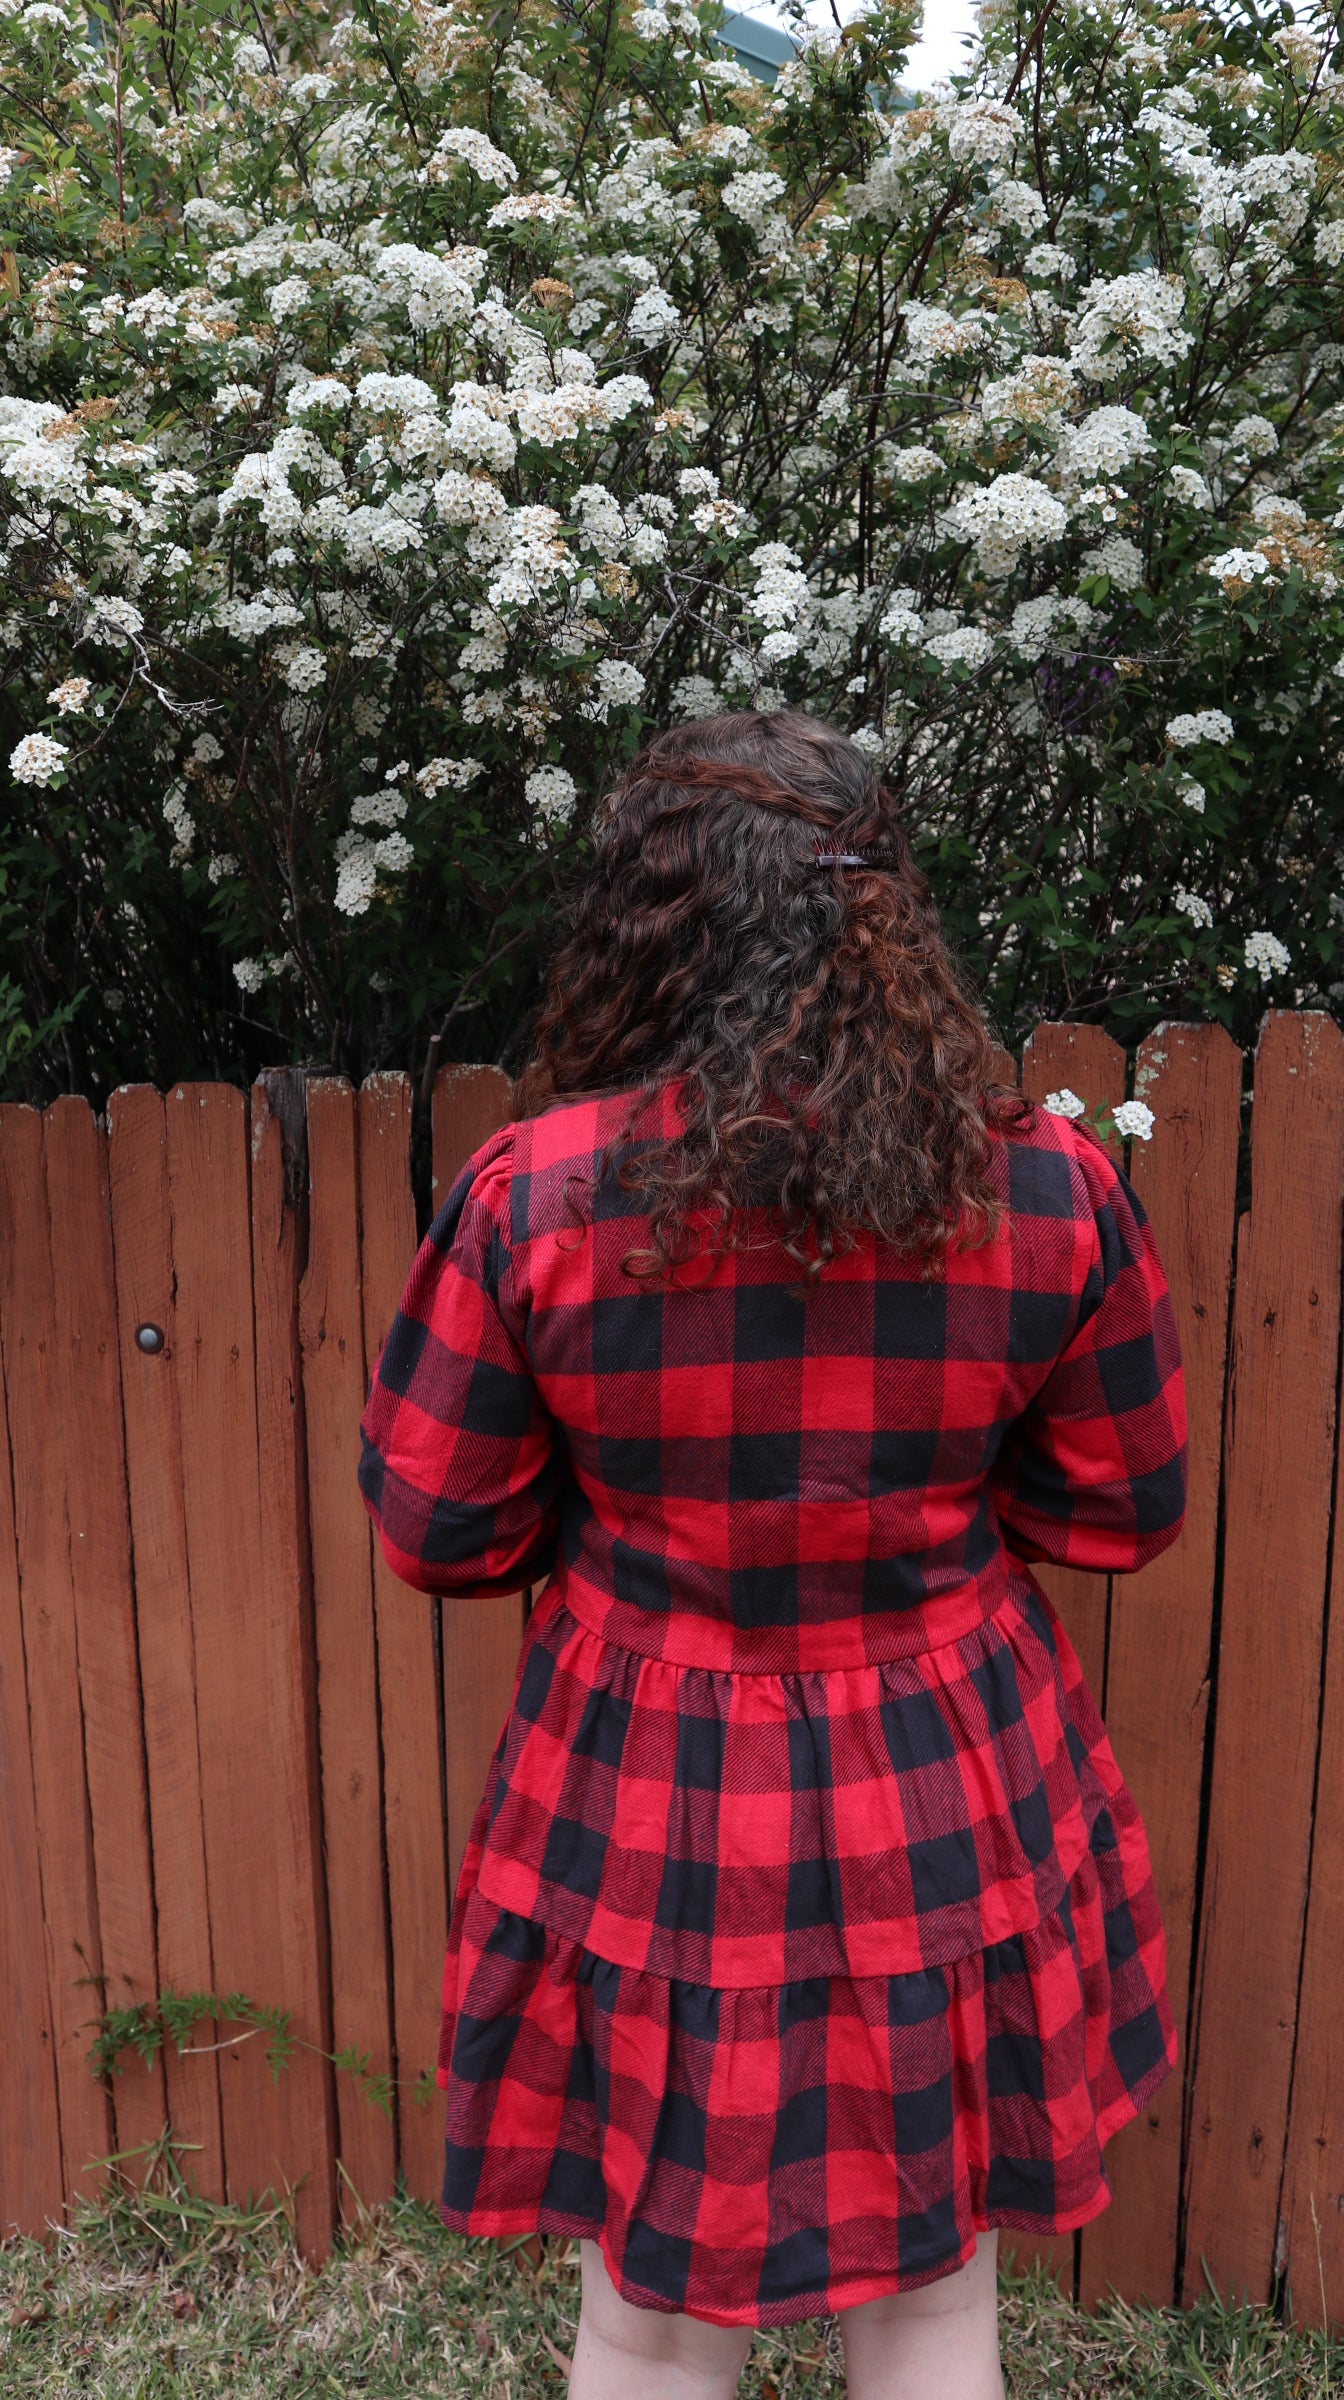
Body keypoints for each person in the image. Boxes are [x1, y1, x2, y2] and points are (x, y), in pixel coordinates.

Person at [359, 708, 1187, 2400]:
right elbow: (1121, 1503)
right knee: (937, 2297)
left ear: (654, 921)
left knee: (653, 2313)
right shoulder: (1040, 1188)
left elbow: (443, 1525)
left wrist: (612, 1519)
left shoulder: (542, 1200)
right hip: (949, 1764)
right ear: (888, 915)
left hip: (649, 1777)